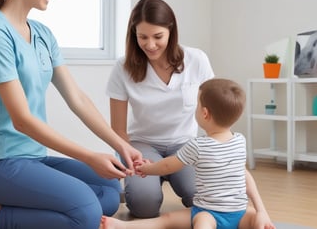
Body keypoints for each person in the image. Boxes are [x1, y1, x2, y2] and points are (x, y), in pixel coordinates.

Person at [0, 0, 142, 229]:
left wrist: (121, 145)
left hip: (35, 157)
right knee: (87, 213)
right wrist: (89, 156)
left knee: (108, 191)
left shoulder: (42, 33)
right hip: (1, 164)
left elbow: (77, 99)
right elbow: (22, 120)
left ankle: (18, 207)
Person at [101, 78, 276, 229]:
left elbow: (168, 165)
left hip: (208, 213)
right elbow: (245, 177)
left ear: (205, 113)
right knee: (255, 218)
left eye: (197, 104)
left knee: (168, 221)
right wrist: (261, 211)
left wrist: (148, 169)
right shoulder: (240, 141)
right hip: (240, 213)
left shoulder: (198, 146)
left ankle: (122, 226)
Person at [106, 0, 215, 218]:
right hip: (142, 146)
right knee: (144, 205)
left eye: (158, 37)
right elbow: (118, 130)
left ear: (171, 31)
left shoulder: (197, 60)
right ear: (133, 34)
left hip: (186, 146)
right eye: (142, 37)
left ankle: (169, 179)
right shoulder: (123, 67)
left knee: (204, 198)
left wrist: (213, 153)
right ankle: (146, 187)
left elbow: (214, 113)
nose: (150, 45)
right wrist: (130, 158)